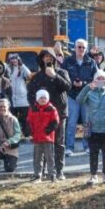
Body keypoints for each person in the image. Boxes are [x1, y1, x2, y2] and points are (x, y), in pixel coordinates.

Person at [27, 49, 71, 180]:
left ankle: (59, 171)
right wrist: (34, 109)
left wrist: (54, 76)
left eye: (50, 57)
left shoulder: (62, 72)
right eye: (45, 57)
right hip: (41, 115)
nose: (48, 59)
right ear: (42, 59)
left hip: (59, 113)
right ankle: (42, 172)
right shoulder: (37, 76)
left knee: (59, 143)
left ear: (54, 59)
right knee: (42, 143)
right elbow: (30, 94)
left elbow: (68, 87)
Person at [76, 70, 105, 185]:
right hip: (90, 126)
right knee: (93, 152)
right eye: (98, 79)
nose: (100, 81)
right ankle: (93, 175)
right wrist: (87, 87)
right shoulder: (89, 92)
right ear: (94, 80)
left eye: (103, 79)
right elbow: (79, 100)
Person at [62, 39, 99, 156]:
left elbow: (96, 79)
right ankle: (69, 147)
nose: (81, 49)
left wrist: (83, 83)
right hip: (72, 96)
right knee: (71, 123)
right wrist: (72, 82)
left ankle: (87, 146)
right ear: (75, 48)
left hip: (87, 96)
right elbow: (62, 76)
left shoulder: (91, 62)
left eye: (83, 47)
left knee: (87, 123)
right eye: (79, 47)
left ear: (86, 49)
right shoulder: (67, 61)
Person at [27, 90, 60, 183]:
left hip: (48, 138)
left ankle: (52, 175)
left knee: (50, 157)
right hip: (37, 137)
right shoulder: (33, 108)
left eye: (45, 98)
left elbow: (55, 122)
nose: (43, 99)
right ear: (37, 99)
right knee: (37, 158)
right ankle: (37, 175)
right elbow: (29, 121)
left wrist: (47, 131)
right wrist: (30, 132)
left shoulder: (52, 109)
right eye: (41, 97)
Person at [6, 53, 32, 137]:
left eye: (15, 59)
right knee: (13, 120)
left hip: (23, 100)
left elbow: (29, 75)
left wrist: (22, 65)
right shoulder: (8, 69)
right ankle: (14, 136)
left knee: (25, 120)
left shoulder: (21, 68)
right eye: (12, 59)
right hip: (12, 100)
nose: (14, 61)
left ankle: (27, 136)